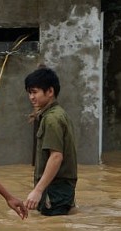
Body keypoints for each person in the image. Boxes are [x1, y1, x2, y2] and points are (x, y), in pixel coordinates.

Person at [24, 67, 78, 216]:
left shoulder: (52, 119)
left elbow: (56, 156)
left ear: (50, 92)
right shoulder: (55, 114)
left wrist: (38, 190)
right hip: (59, 191)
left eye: (35, 92)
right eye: (29, 93)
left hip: (55, 192)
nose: (31, 97)